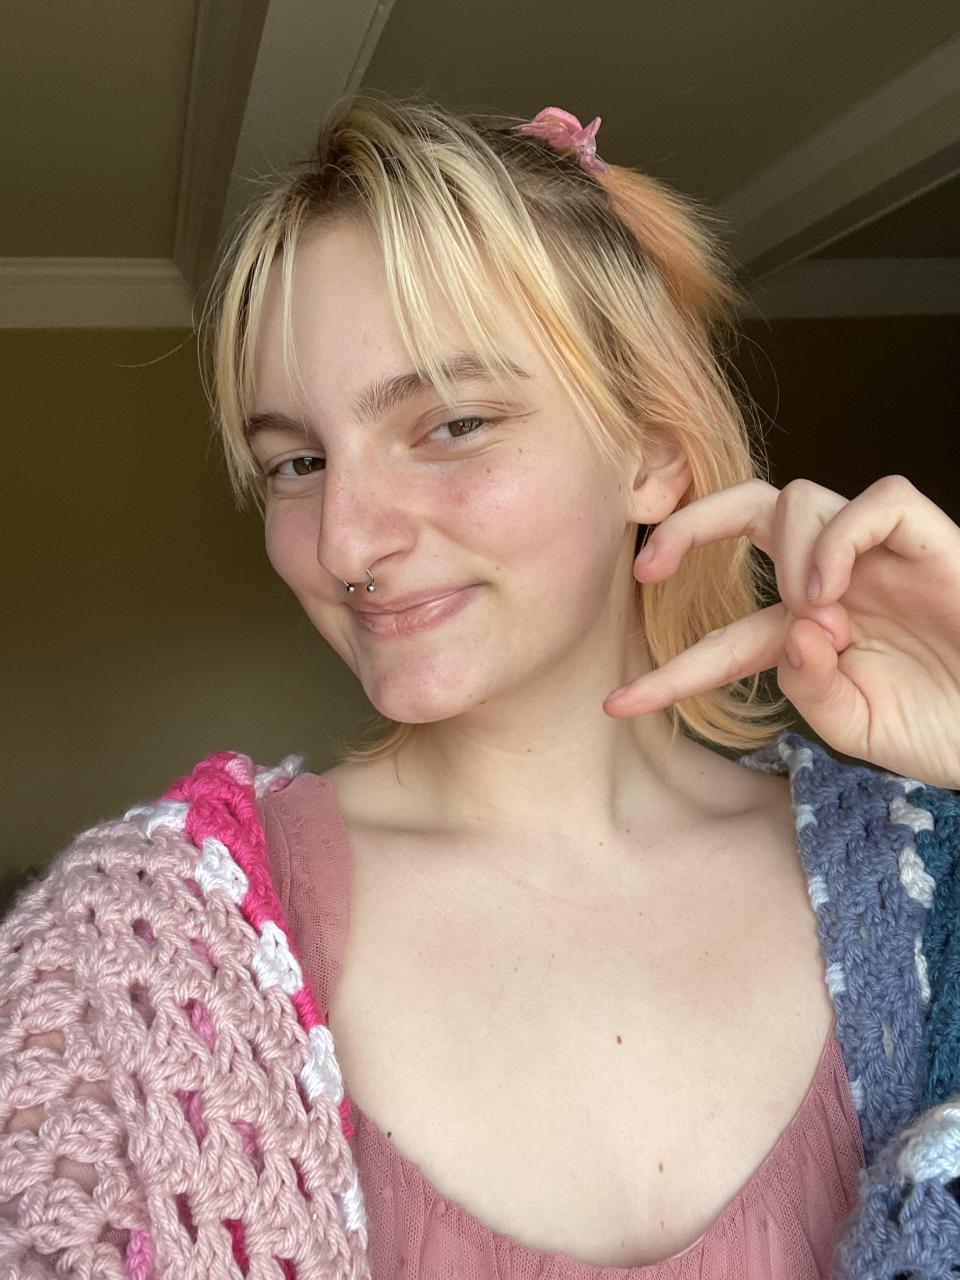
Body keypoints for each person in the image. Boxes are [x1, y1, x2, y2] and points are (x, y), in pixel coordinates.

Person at [1, 93, 959, 1280]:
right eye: (297, 461)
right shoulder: (125, 967)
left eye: (450, 424)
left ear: (654, 452)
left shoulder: (928, 888)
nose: (346, 540)